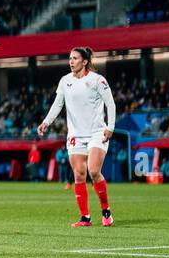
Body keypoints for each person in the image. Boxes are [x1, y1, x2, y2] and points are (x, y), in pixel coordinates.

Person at [38, 46, 116, 227]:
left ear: (85, 61)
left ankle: (106, 211)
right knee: (79, 176)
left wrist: (110, 127)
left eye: (75, 58)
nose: (71, 61)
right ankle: (85, 218)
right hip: (75, 135)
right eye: (70, 58)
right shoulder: (65, 81)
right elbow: (58, 104)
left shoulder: (97, 80)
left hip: (97, 132)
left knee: (94, 171)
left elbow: (110, 104)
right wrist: (46, 122)